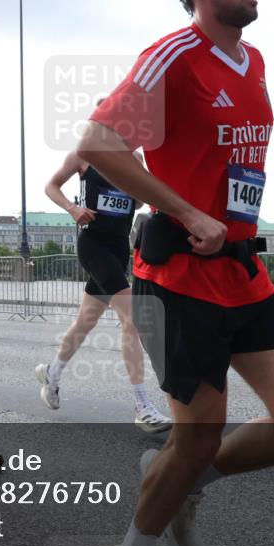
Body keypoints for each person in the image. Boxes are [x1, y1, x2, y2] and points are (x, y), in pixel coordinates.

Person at [79, 0, 274, 546]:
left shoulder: (255, 63)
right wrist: (188, 212)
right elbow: (99, 144)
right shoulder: (172, 56)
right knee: (197, 432)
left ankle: (188, 479)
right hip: (178, 276)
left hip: (244, 273)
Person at [35, 140, 172, 432]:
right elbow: (51, 186)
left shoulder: (135, 158)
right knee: (132, 318)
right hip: (93, 245)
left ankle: (52, 373)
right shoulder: (84, 153)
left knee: (85, 321)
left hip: (119, 247)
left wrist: (135, 186)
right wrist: (73, 209)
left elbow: (137, 201)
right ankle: (142, 407)